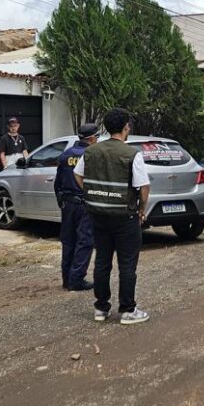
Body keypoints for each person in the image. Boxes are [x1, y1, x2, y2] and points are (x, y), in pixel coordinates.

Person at [73, 108, 151, 325]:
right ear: (126, 127)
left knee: (102, 262)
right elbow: (143, 186)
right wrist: (142, 209)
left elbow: (77, 175)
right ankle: (127, 310)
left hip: (98, 214)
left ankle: (101, 308)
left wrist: (91, 193)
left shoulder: (91, 151)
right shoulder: (131, 154)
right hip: (124, 217)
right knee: (127, 264)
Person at [55, 123, 99, 291]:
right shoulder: (92, 155)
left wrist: (62, 201)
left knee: (68, 241)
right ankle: (76, 280)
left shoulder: (66, 155)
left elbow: (57, 183)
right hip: (84, 204)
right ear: (92, 138)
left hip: (68, 204)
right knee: (85, 241)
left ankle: (67, 279)